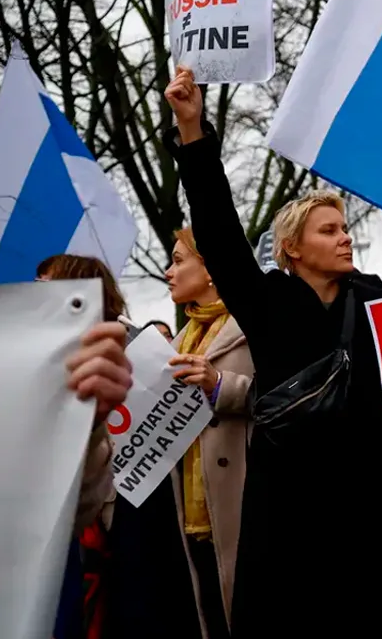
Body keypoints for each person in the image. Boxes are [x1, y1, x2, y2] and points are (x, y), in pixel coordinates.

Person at [163, 67, 382, 637]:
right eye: (328, 230)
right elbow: (220, 233)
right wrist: (192, 128)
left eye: (344, 227)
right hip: (293, 515)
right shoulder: (267, 303)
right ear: (291, 249)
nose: (345, 236)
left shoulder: (379, 301)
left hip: (379, 511)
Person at [108, 228, 256, 639]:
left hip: (242, 505)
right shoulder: (177, 340)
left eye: (178, 260)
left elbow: (280, 397)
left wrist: (222, 385)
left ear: (209, 268)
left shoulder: (253, 325)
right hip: (189, 516)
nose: (169, 272)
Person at [35, 255, 131, 639]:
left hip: (67, 550)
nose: (33, 293)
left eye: (47, 285)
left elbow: (81, 502)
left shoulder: (108, 360)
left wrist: (90, 426)